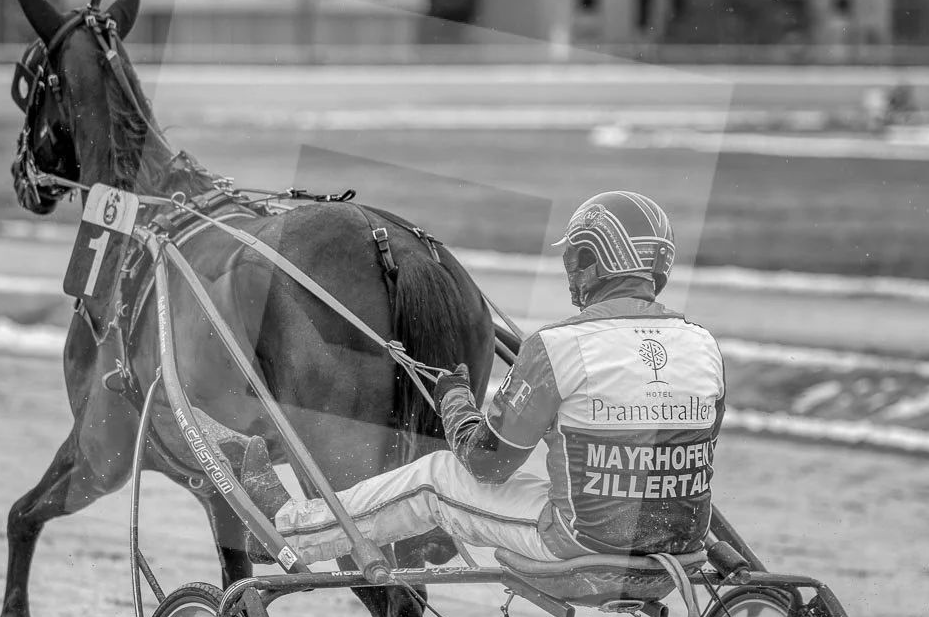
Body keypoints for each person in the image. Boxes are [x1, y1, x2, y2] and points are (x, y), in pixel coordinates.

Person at [233, 191, 726, 565]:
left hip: (582, 540)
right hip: (682, 538)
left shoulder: (555, 348)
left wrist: (453, 398)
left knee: (433, 478)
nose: (570, 272)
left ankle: (291, 530)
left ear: (596, 263)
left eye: (575, 258)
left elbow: (487, 465)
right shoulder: (703, 345)